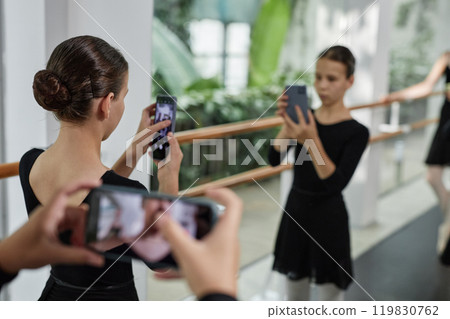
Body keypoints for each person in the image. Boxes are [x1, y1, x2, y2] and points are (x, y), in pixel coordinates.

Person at [19, 35, 183, 300]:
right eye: (123, 97)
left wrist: (133, 153)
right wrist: (169, 179)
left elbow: (98, 192)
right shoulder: (129, 195)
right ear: (107, 103)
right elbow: (164, 258)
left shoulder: (30, 163)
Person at [268, 46, 369, 301]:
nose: (322, 85)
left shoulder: (356, 132)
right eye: (318, 77)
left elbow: (334, 183)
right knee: (294, 299)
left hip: (328, 220)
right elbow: (273, 159)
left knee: (330, 302)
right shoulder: (305, 119)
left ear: (349, 82)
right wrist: (287, 128)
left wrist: (311, 139)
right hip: (296, 212)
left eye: (332, 79)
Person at [380, 52, 450, 257]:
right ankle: (448, 221)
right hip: (446, 125)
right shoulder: (446, 57)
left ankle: (447, 229)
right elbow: (427, 86)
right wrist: (395, 97)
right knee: (432, 177)